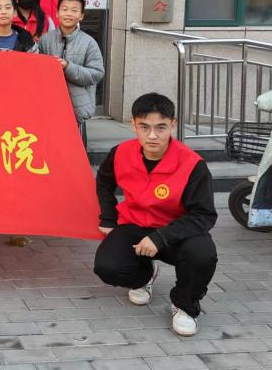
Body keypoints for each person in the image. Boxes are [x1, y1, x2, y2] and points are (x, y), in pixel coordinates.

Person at [93, 93, 218, 337]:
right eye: (144, 127)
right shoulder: (120, 153)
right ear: (134, 125)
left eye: (160, 127)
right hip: (134, 225)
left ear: (173, 125)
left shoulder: (193, 164)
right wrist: (107, 218)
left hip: (177, 232)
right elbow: (104, 182)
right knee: (108, 267)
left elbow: (204, 215)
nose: (152, 136)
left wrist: (160, 237)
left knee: (202, 254)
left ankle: (185, 306)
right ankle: (144, 276)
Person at [36, 0, 105, 146]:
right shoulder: (45, 40)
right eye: (65, 9)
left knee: (75, 150)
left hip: (76, 108)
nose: (68, 14)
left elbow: (96, 74)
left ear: (81, 16)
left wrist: (68, 67)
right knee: (50, 149)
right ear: (57, 13)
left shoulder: (89, 42)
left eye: (74, 10)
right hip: (49, 105)